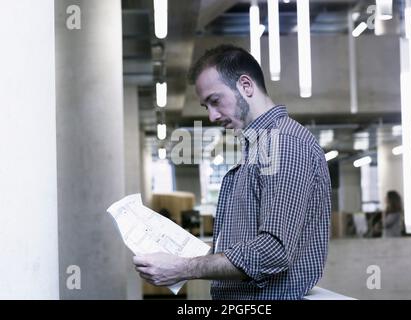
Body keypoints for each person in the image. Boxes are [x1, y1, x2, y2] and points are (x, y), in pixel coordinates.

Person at [133, 45, 332, 299]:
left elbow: (273, 251)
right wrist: (183, 259)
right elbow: (246, 247)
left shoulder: (284, 143)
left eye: (215, 101)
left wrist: (184, 268)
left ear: (246, 86)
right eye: (207, 107)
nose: (213, 116)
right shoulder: (260, 147)